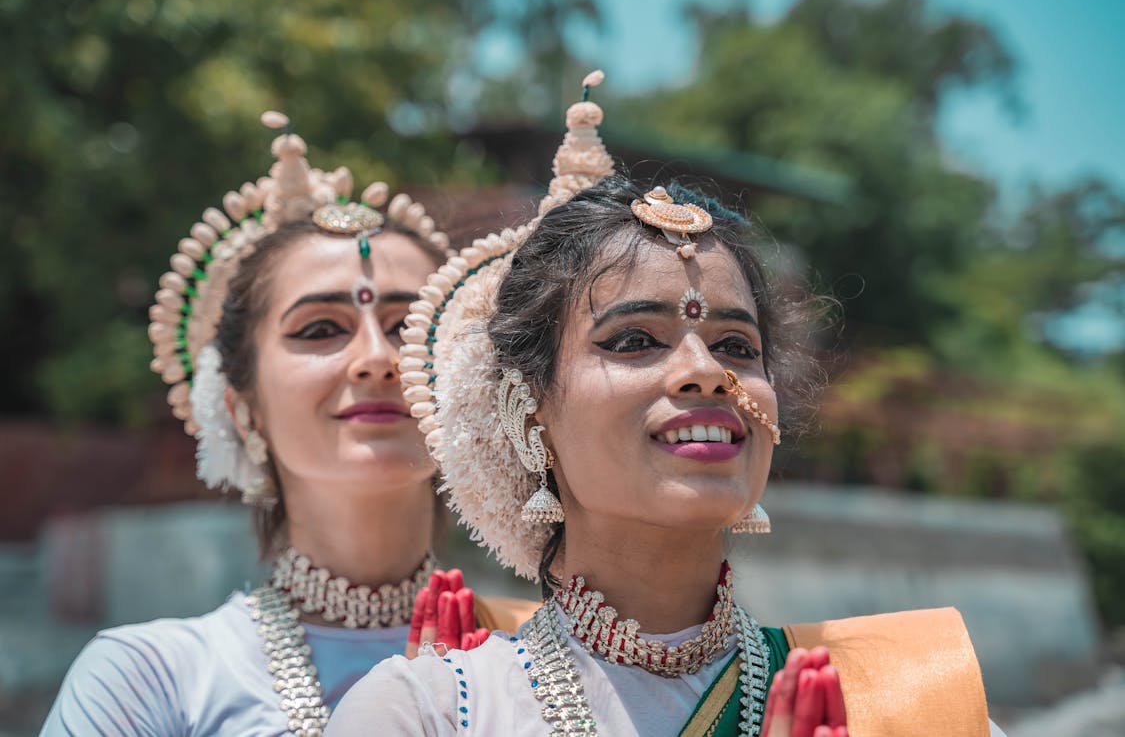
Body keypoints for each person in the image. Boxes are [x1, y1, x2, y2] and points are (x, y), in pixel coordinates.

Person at [326, 74, 1005, 736]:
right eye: (633, 339)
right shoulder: (429, 712)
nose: (705, 373)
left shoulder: (900, 701)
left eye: (737, 347)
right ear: (526, 409)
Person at [42, 112, 536, 737]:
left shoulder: (549, 662)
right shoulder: (154, 679)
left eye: (409, 328)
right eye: (321, 329)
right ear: (239, 409)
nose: (377, 360)